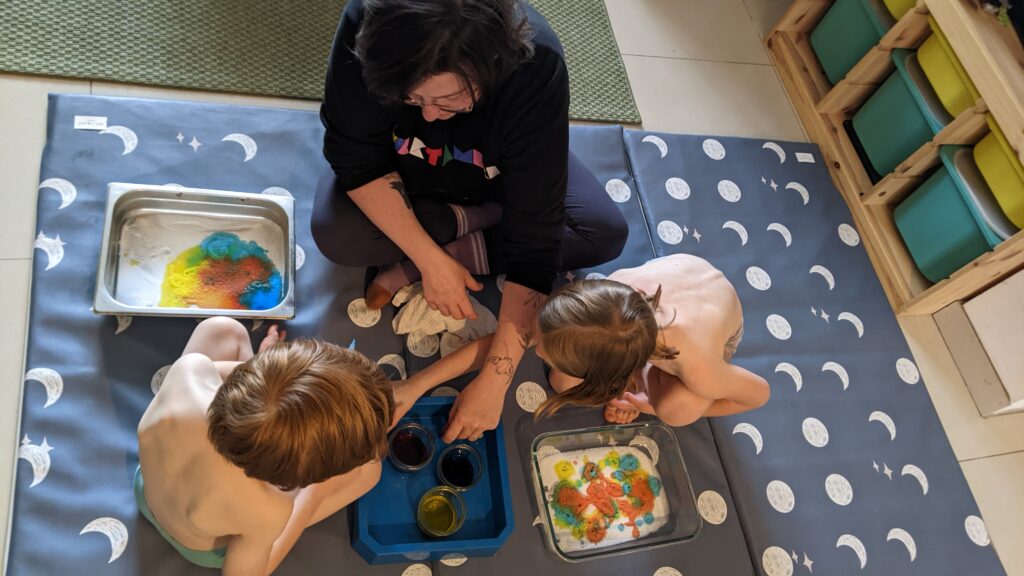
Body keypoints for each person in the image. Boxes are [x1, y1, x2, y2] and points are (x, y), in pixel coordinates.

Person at [312, 0, 628, 444]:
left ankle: (454, 228)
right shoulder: (368, 22)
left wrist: (495, 383)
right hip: (398, 170)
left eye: (448, 101)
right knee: (338, 236)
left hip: (498, 174)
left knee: (601, 233)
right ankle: (450, 230)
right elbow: (354, 160)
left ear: (491, 67)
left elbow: (535, 242)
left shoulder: (535, 66)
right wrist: (430, 262)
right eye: (411, 98)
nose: (428, 115)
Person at [136, 318, 394, 575]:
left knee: (222, 329)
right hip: (198, 542)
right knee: (369, 472)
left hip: (149, 486)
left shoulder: (189, 371)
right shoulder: (268, 508)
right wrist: (313, 495)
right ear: (295, 476)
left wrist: (267, 378)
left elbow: (250, 392)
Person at [389, 255, 769, 428]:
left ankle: (649, 394)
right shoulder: (607, 295)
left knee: (679, 408)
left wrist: (645, 405)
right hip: (670, 288)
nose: (531, 350)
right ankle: (633, 379)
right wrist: (415, 385)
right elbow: (511, 340)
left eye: (542, 349)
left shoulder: (700, 365)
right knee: (562, 382)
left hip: (715, 330)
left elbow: (757, 395)